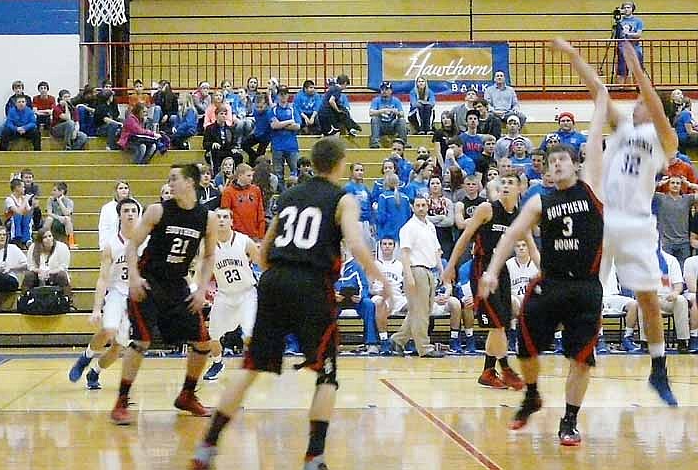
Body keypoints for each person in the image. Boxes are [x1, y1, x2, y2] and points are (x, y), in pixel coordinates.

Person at [191, 138, 390, 470]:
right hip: (313, 284)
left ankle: (207, 446)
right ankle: (314, 456)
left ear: (312, 162)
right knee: (326, 375)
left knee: (251, 367)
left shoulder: (288, 196)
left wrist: (282, 274)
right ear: (341, 163)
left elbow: (265, 252)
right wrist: (380, 278)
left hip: (274, 280)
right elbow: (355, 243)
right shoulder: (344, 199)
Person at [478, 86, 607, 445]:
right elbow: (509, 235)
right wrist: (490, 271)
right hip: (549, 284)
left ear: (576, 164)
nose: (556, 164)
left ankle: (569, 420)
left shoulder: (591, 188)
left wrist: (599, 99)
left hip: (585, 285)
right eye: (551, 162)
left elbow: (595, 135)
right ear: (546, 171)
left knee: (581, 360)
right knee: (525, 345)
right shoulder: (539, 201)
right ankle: (532, 394)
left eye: (562, 160)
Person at [553, 37, 679, 406]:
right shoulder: (623, 128)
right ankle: (576, 350)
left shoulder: (665, 140)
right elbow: (599, 90)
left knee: (648, 299)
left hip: (637, 224)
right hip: (602, 219)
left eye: (642, 101)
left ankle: (658, 367)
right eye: (638, 101)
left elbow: (656, 105)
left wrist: (638, 71)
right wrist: (575, 55)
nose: (638, 104)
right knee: (586, 292)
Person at [110, 164, 219, 424]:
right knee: (142, 341)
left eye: (174, 179)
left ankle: (187, 395)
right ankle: (121, 401)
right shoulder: (158, 211)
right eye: (169, 179)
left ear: (191, 183)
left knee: (202, 342)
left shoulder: (207, 218)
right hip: (149, 282)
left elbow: (210, 255)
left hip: (178, 285)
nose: (169, 183)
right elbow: (132, 244)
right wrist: (134, 277)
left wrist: (202, 287)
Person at [443, 171, 533, 391]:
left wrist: (546, 273)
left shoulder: (519, 216)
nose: (506, 185)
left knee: (499, 324)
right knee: (498, 324)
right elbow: (464, 238)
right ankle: (506, 369)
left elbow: (531, 246)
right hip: (482, 270)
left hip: (502, 271)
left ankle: (487, 372)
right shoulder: (487, 209)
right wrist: (450, 266)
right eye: (503, 182)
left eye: (511, 182)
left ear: (521, 188)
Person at [68, 198, 141, 390]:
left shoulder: (146, 242)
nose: (130, 214)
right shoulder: (111, 245)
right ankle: (86, 357)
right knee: (108, 329)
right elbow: (102, 278)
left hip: (135, 298)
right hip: (117, 292)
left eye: (134, 210)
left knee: (119, 347)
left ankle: (95, 373)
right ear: (120, 215)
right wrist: (96, 308)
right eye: (126, 210)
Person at [202, 208, 261, 380]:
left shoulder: (244, 241)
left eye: (225, 217)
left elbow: (261, 263)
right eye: (218, 217)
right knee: (212, 336)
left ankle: (252, 365)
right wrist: (196, 288)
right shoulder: (208, 245)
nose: (221, 220)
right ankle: (218, 362)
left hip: (247, 294)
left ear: (231, 221)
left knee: (249, 334)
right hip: (224, 296)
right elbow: (200, 269)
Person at [387, 197, 444, 358]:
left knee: (420, 310)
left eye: (424, 205)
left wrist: (442, 272)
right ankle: (424, 347)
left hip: (429, 270)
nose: (421, 208)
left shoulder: (431, 226)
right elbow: (404, 253)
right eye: (418, 205)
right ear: (412, 207)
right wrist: (409, 275)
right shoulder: (408, 228)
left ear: (428, 207)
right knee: (421, 312)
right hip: (415, 269)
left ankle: (398, 340)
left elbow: (436, 252)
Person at [654, 175, 698, 270]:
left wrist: (690, 185)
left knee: (684, 273)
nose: (675, 185)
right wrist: (659, 183)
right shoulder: (660, 198)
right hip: (666, 242)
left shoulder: (687, 199)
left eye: (678, 183)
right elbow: (645, 192)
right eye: (672, 182)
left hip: (683, 243)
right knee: (667, 272)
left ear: (681, 185)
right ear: (668, 184)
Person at [505, 239, 540, 353]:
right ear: (514, 249)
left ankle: (557, 340)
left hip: (534, 298)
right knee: (511, 300)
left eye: (524, 245)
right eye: (518, 245)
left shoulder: (537, 263)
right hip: (514, 298)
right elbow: (505, 287)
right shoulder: (508, 264)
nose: (521, 248)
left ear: (529, 247)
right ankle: (514, 337)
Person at [220, 163, 266, 242]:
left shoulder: (256, 190)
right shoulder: (228, 192)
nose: (251, 178)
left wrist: (261, 235)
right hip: (236, 236)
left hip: (254, 235)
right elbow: (225, 215)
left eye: (252, 176)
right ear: (240, 175)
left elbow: (260, 213)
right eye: (248, 176)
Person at [23, 229, 71, 301]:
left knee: (62, 275)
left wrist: (49, 272)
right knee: (28, 275)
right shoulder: (33, 247)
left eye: (50, 236)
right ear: (40, 240)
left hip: (55, 274)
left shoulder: (62, 247)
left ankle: (66, 301)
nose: (48, 239)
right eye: (45, 237)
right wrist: (39, 271)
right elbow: (30, 266)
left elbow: (64, 267)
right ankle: (25, 300)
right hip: (38, 275)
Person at [0, 225, 26, 311]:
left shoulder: (13, 248)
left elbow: (26, 265)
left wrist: (11, 268)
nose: (2, 237)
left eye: (4, 235)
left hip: (10, 279)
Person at [269, 86, 300, 191]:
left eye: (285, 94)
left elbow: (298, 126)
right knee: (278, 174)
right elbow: (274, 125)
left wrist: (280, 124)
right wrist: (289, 121)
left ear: (288, 95)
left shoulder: (292, 109)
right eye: (281, 94)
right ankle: (282, 194)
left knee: (296, 171)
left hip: (292, 146)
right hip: (277, 146)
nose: (283, 96)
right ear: (277, 96)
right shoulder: (273, 110)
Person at [369, 82, 408, 149]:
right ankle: (375, 143)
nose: (384, 91)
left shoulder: (396, 100)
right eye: (382, 89)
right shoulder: (376, 100)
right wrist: (382, 111)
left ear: (391, 90)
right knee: (374, 119)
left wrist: (396, 112)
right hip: (380, 125)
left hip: (391, 125)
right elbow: (371, 113)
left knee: (402, 120)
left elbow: (402, 114)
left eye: (386, 89)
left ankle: (403, 142)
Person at [615, 1, 644, 86]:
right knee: (622, 68)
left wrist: (628, 34)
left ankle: (639, 86)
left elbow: (638, 34)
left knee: (637, 67)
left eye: (628, 7)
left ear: (632, 9)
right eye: (624, 8)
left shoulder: (638, 21)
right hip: (623, 47)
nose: (626, 9)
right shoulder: (620, 21)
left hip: (635, 47)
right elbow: (617, 35)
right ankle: (621, 88)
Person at [98, 181, 136, 248]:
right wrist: (104, 246)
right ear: (116, 191)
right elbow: (104, 228)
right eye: (120, 188)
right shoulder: (107, 208)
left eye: (126, 188)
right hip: (113, 245)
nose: (123, 190)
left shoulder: (136, 206)